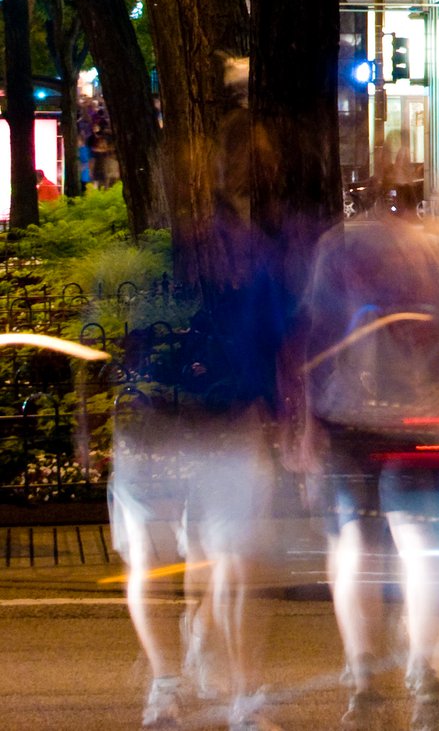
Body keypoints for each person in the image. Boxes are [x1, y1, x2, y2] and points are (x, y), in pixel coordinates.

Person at [109, 112, 293, 731]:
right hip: (215, 425)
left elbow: (121, 344)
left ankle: (175, 682)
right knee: (225, 561)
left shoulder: (156, 257)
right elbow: (278, 341)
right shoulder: (246, 252)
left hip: (167, 426)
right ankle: (230, 690)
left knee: (175, 562)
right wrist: (285, 415)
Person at [298, 192, 439, 731]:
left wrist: (305, 420)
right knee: (419, 542)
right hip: (422, 413)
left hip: (346, 410)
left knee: (353, 540)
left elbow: (315, 332)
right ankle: (422, 671)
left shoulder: (339, 244)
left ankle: (363, 683)